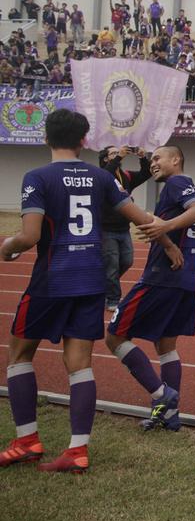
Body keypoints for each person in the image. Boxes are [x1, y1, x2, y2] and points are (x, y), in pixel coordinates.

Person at [0, 110, 181, 474]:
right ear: (83, 141)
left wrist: (7, 247)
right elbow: (142, 218)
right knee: (80, 364)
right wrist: (170, 244)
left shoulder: (37, 177)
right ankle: (78, 450)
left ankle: (27, 441)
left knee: (19, 355)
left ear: (46, 138)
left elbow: (30, 236)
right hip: (90, 281)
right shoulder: (101, 177)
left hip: (51, 280)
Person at [104, 145, 195, 432]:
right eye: (152, 160)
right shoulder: (178, 186)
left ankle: (161, 395)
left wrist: (165, 227)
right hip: (184, 279)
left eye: (158, 158)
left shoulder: (177, 182)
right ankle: (169, 414)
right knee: (166, 346)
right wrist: (166, 232)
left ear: (176, 159)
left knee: (114, 337)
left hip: (161, 278)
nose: (153, 163)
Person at [98, 146, 153, 315]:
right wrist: (119, 157)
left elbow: (146, 173)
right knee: (112, 265)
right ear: (106, 159)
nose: (118, 154)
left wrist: (143, 157)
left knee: (127, 261)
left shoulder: (126, 176)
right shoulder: (101, 176)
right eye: (113, 153)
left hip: (123, 228)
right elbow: (107, 175)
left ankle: (103, 284)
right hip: (106, 229)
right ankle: (112, 300)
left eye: (118, 152)